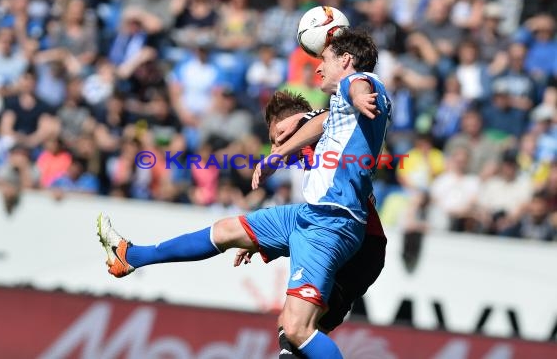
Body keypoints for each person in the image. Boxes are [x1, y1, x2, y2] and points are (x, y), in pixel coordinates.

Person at [96, 28, 390, 358]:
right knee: (228, 233)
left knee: (297, 328)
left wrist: (354, 92)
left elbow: (353, 87)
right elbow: (324, 119)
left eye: (279, 134)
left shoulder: (356, 91)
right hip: (314, 217)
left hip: (348, 233)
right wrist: (277, 159)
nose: (318, 68)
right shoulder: (333, 116)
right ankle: (130, 256)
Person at [233, 88, 387, 358]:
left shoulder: (322, 135)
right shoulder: (312, 160)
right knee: (295, 331)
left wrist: (296, 129)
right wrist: (259, 238)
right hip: (360, 247)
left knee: (295, 326)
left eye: (277, 138)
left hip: (359, 243)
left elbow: (327, 118)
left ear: (292, 126)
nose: (274, 147)